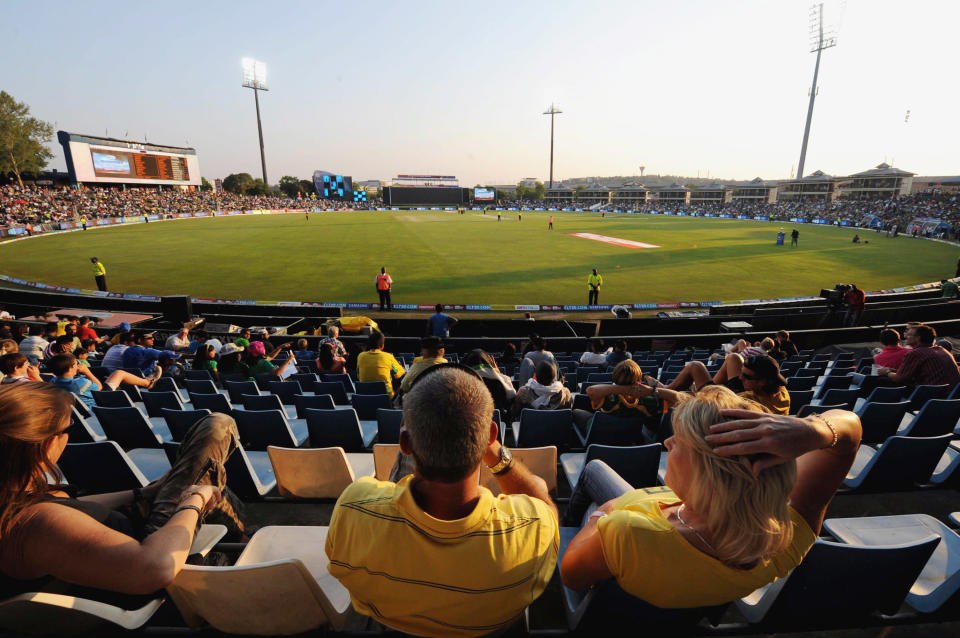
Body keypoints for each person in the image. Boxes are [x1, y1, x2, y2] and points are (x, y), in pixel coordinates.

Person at [560, 385, 861, 609]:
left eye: (678, 442)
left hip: (617, 529)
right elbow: (849, 430)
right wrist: (815, 429)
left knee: (593, 470)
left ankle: (569, 522)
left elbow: (571, 575)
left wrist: (603, 514)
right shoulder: (785, 536)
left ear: (708, 471)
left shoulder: (626, 532)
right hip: (667, 528)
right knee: (597, 470)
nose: (667, 442)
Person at [325, 365, 558, 636]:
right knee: (538, 485)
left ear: (405, 443)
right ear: (492, 436)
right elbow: (547, 508)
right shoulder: (532, 525)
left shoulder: (353, 507)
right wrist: (496, 455)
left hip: (389, 624)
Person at [0, 382, 247, 600]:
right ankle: (243, 543)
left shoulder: (15, 496)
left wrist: (142, 493)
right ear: (48, 443)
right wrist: (194, 500)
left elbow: (68, 505)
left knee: (206, 460)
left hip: (133, 530)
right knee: (217, 428)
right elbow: (154, 569)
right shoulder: (36, 524)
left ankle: (241, 538)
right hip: (153, 548)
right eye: (68, 427)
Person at [661, 353, 791, 415]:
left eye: (746, 376)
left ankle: (667, 387)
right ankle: (710, 387)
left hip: (725, 401)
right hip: (743, 394)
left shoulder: (747, 401)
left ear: (762, 381)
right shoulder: (782, 390)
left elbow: (699, 403)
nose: (740, 377)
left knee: (696, 366)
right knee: (733, 357)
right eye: (741, 372)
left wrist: (657, 392)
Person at [573, 359, 662, 440]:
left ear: (615, 378)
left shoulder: (608, 398)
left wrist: (619, 388)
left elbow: (591, 390)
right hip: (630, 439)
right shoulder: (647, 401)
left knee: (576, 411)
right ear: (639, 380)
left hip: (601, 437)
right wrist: (652, 389)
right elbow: (674, 396)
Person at [47, 353, 160, 408]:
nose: (78, 365)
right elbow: (99, 387)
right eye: (76, 364)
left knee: (113, 376)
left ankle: (147, 382)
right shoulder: (79, 383)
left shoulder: (53, 381)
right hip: (99, 400)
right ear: (70, 368)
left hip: (77, 407)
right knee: (119, 373)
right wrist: (87, 372)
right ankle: (147, 383)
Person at [877, 324, 960, 388]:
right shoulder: (941, 350)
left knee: (881, 380)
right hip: (948, 393)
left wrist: (887, 372)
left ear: (918, 338)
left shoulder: (916, 353)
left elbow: (899, 378)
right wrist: (893, 370)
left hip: (929, 394)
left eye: (909, 335)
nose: (906, 337)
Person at [356, 332, 405, 399]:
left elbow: (358, 375)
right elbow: (399, 374)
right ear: (382, 345)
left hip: (364, 395)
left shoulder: (360, 356)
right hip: (386, 397)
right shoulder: (388, 356)